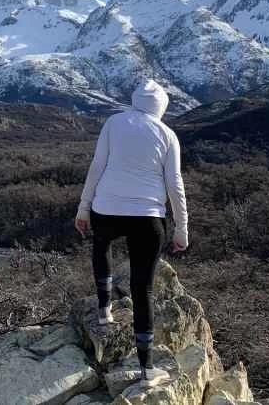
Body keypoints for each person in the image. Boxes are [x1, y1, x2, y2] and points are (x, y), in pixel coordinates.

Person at [74, 79, 189, 383]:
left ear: (136, 101)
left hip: (106, 208)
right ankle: (147, 367)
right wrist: (181, 229)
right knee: (143, 290)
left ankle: (103, 309)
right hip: (148, 217)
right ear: (161, 107)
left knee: (101, 247)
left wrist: (83, 208)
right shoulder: (168, 134)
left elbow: (97, 166)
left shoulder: (113, 122)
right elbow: (174, 185)